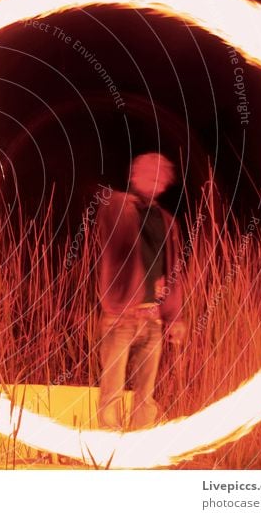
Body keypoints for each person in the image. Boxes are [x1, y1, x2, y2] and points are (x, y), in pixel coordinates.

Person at [94, 152, 187, 430]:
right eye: (148, 173)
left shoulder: (168, 221)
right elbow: (112, 229)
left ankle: (140, 449)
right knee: (112, 392)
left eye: (160, 175)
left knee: (145, 396)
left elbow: (172, 272)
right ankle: (109, 450)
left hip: (152, 319)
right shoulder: (117, 208)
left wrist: (175, 318)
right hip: (120, 317)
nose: (155, 179)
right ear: (134, 176)